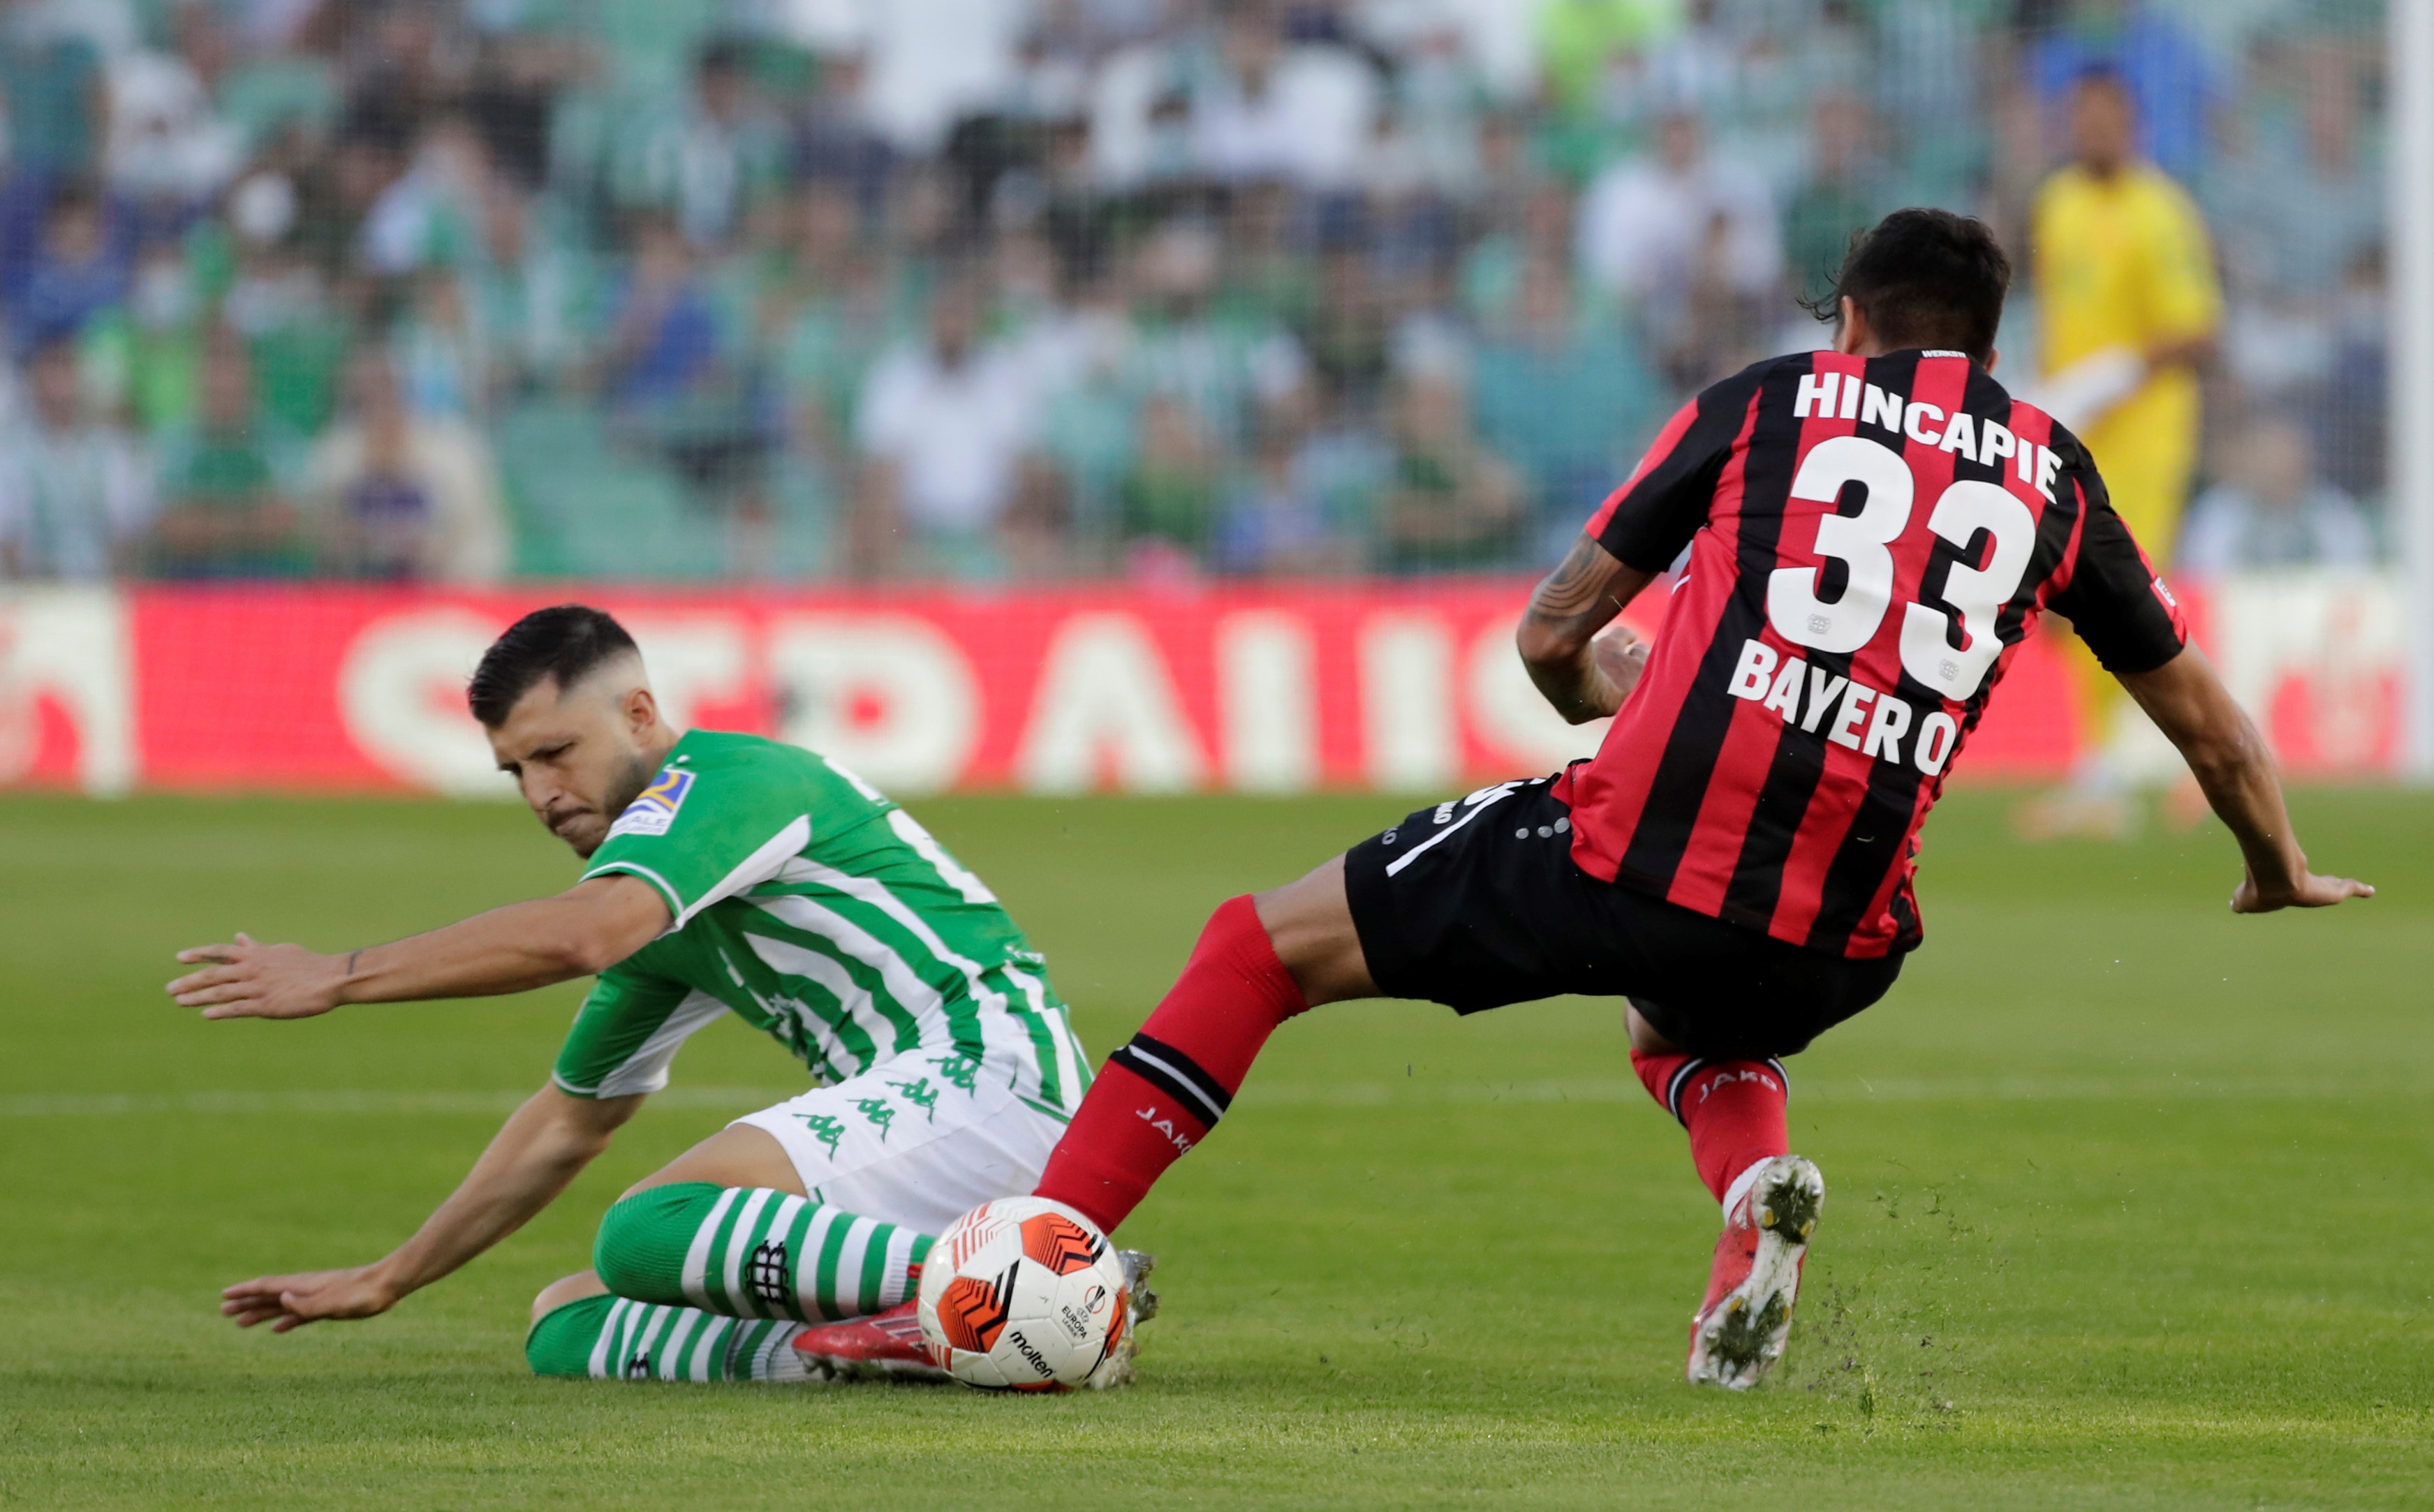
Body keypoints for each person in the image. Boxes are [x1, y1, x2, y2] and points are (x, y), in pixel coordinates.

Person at [1019, 209, 2370, 1390]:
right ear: (1994, 345)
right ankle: (1749, 1199)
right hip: (1844, 946)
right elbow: (2209, 724)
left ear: (1850, 320)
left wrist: (1602, 694)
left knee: (1253, 951)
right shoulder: (2054, 472)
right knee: (1683, 1028)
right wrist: (2277, 865)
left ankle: (1029, 1265)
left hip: (1635, 856)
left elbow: (1553, 633)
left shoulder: (1772, 402)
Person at [166, 606, 1151, 1385]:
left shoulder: (723, 784)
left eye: (556, 752)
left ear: (639, 714)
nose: (540, 792)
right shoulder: (656, 916)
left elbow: (582, 931)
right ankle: (927, 1344)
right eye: (515, 771)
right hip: (925, 1140)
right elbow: (569, 1123)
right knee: (569, 1319)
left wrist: (339, 975)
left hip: (990, 1071)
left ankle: (1031, 1283)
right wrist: (388, 1277)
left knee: (650, 1226)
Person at [2023, 68, 2221, 838]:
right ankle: (2170, 761)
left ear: (2133, 122)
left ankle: (2118, 776)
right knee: (2068, 608)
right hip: (2073, 434)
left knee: (2116, 596)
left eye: (2108, 116)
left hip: (2145, 437)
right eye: (2082, 115)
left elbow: (2200, 329)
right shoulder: (2058, 203)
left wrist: (2117, 374)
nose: (2093, 129)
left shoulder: (2161, 212)